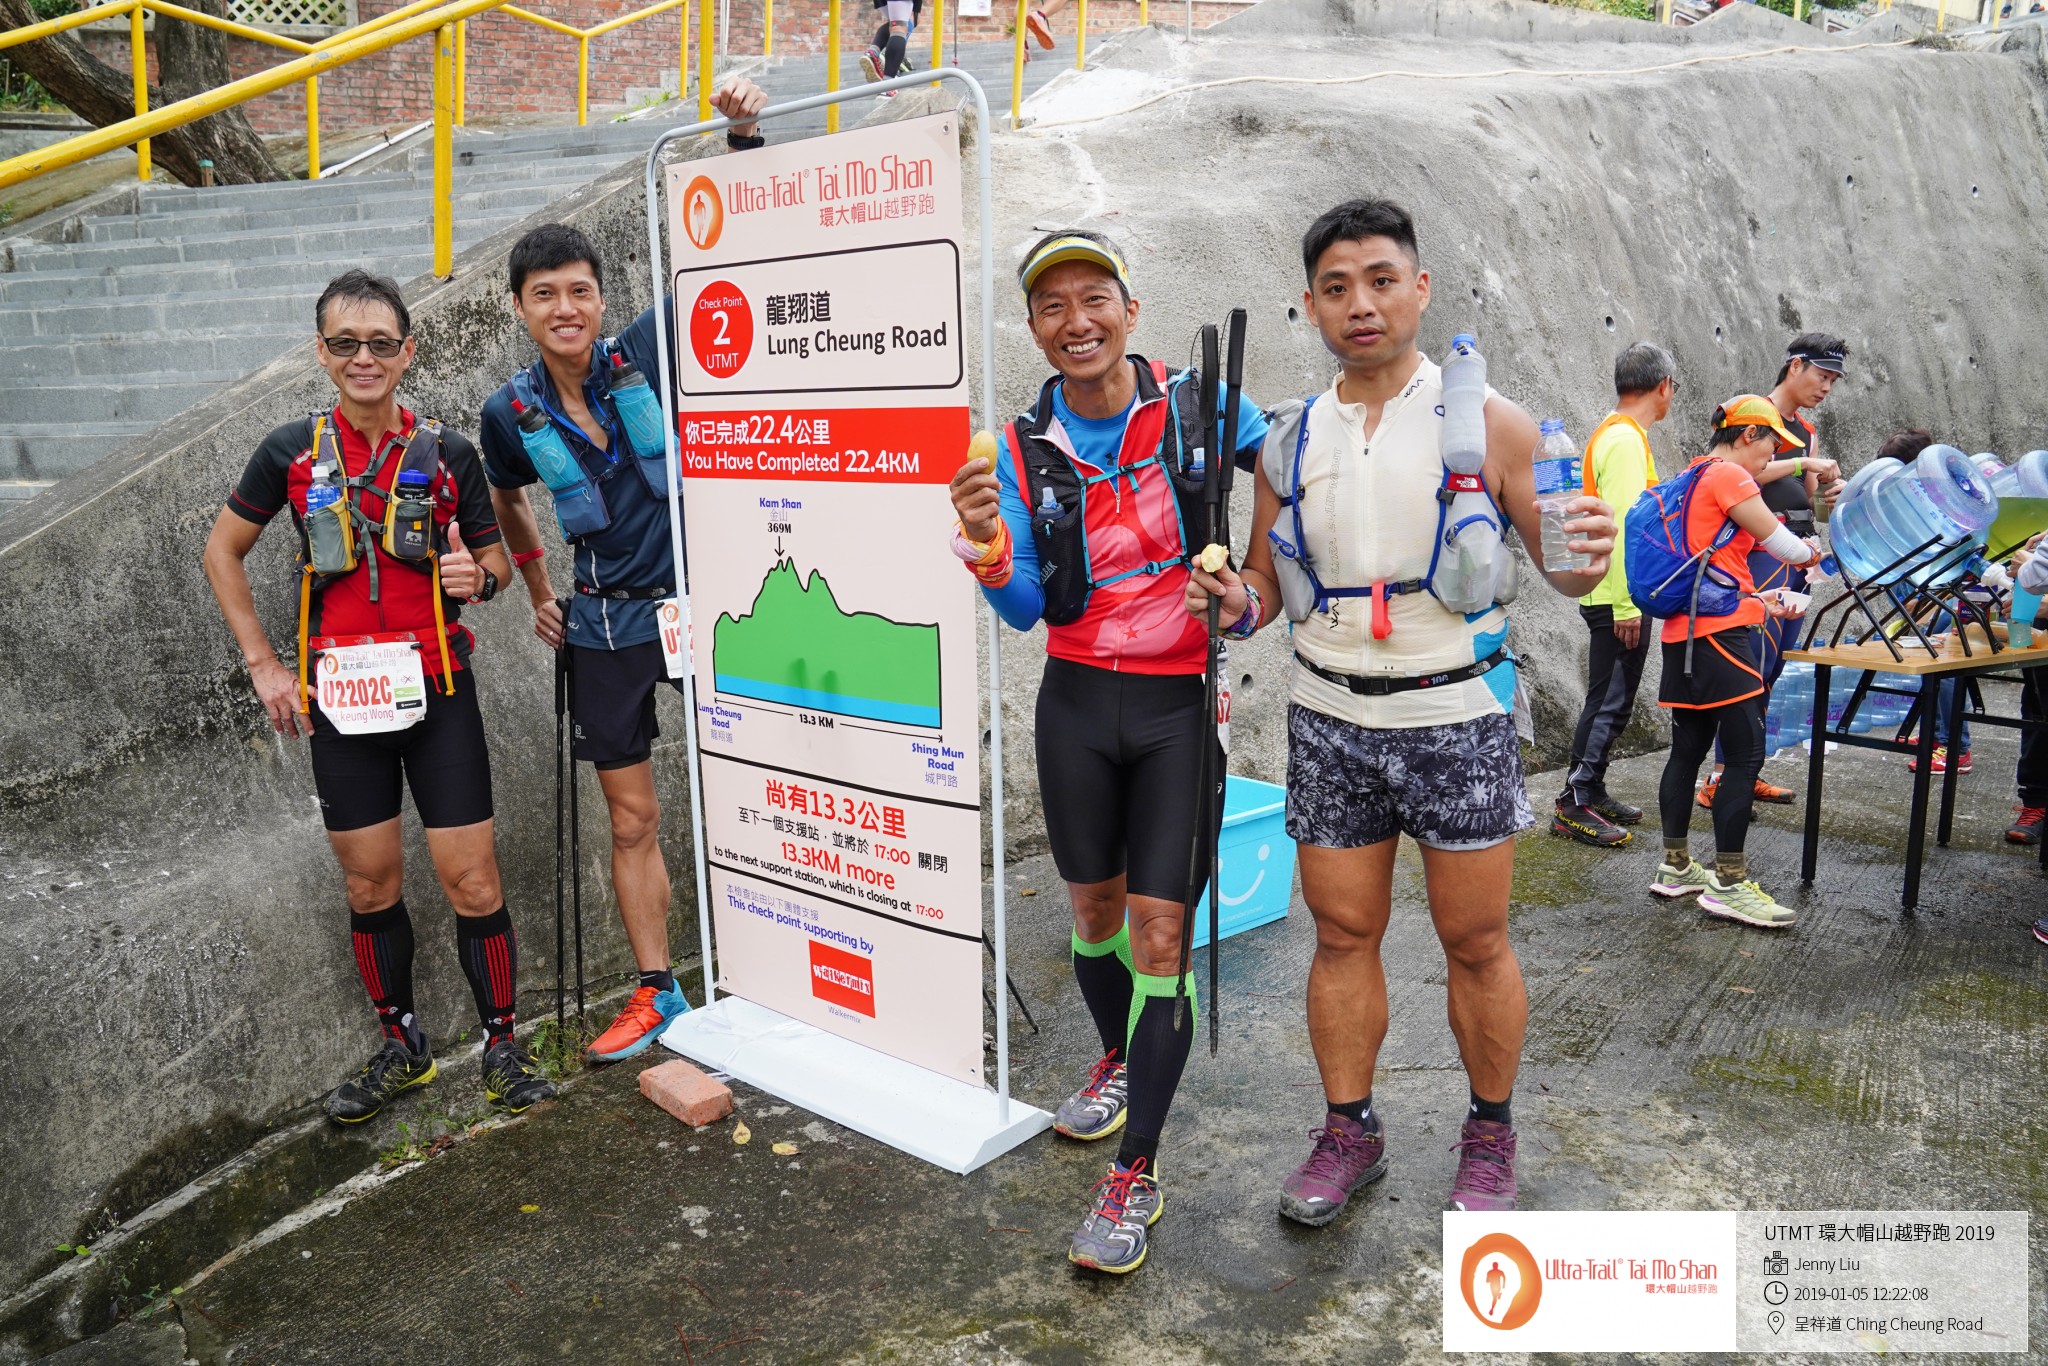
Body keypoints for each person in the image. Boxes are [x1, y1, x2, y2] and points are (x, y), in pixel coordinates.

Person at [1185, 199, 1617, 1224]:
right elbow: (1262, 588)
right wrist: (1231, 601)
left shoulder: (1489, 423)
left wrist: (1589, 551)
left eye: (1380, 280)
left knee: (1476, 939)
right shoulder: (1288, 438)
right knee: (1341, 934)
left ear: (1419, 288)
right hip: (1327, 713)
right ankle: (1349, 1131)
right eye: (1336, 288)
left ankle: (1489, 1134)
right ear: (1309, 306)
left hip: (1456, 712)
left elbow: (1565, 571)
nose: (1360, 304)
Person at [946, 229, 1268, 1274]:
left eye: (1095, 298)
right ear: (1034, 328)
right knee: (1093, 917)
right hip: (1076, 700)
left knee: (1160, 935)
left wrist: (1250, 593)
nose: (1076, 321)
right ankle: (1122, 1058)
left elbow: (1286, 478)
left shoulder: (1199, 404)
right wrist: (987, 547)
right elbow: (1025, 608)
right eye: (1052, 306)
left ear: (1130, 309)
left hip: (1177, 704)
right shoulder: (1017, 446)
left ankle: (1135, 1172)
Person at [202, 270, 556, 1123]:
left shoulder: (450, 453)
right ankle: (404, 1047)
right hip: (341, 703)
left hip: (438, 693)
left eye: (381, 343)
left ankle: (502, 1047)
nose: (365, 358)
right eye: (346, 343)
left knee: (472, 879)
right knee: (369, 885)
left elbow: (496, 561)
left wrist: (482, 576)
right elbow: (222, 552)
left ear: (408, 352)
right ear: (322, 352)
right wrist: (264, 664)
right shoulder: (290, 452)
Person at [479, 77, 767, 1067]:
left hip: (708, 612)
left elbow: (728, 260)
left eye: (579, 290)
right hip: (604, 628)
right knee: (633, 817)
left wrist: (741, 138)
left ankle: (783, 965)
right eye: (544, 294)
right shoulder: (508, 413)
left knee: (754, 783)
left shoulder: (648, 352)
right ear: (520, 308)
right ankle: (658, 989)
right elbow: (507, 498)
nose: (565, 307)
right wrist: (538, 592)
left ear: (601, 299)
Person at [1650, 397, 1822, 929]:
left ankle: (1676, 866)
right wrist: (1815, 554)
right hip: (1721, 639)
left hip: (1682, 633)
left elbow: (1714, 570)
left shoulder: (1691, 477)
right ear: (1748, 435)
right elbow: (1783, 545)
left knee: (1687, 751)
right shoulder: (1729, 476)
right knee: (1745, 755)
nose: (1774, 456)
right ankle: (1728, 883)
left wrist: (1759, 601)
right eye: (1772, 443)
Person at [1697, 334, 1843, 808]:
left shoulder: (1807, 429)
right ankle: (1721, 777)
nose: (1826, 387)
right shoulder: (1751, 415)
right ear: (1795, 366)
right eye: (1822, 375)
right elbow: (1732, 473)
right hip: (1759, 550)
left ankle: (1746, 769)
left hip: (1800, 553)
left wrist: (1830, 490)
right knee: (1751, 663)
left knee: (1774, 665)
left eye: (1834, 380)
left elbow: (1806, 497)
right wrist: (1800, 461)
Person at [1554, 343, 1675, 848]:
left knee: (1609, 699)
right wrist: (1628, 605)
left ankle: (1591, 789)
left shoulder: (1617, 432)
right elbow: (1626, 525)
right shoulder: (1624, 440)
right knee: (1609, 702)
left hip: (1610, 591)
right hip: (1617, 596)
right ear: (1663, 386)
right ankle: (1573, 803)